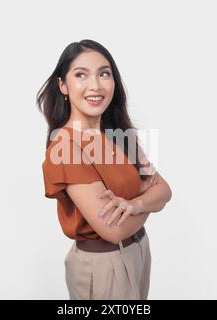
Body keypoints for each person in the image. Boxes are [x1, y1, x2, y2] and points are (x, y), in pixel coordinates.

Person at [37, 39, 172, 299]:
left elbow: (165, 190)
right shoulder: (65, 148)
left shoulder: (119, 135)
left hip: (138, 251)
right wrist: (148, 200)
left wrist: (135, 205)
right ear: (63, 85)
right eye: (80, 75)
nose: (95, 85)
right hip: (103, 265)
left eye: (104, 73)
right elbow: (113, 230)